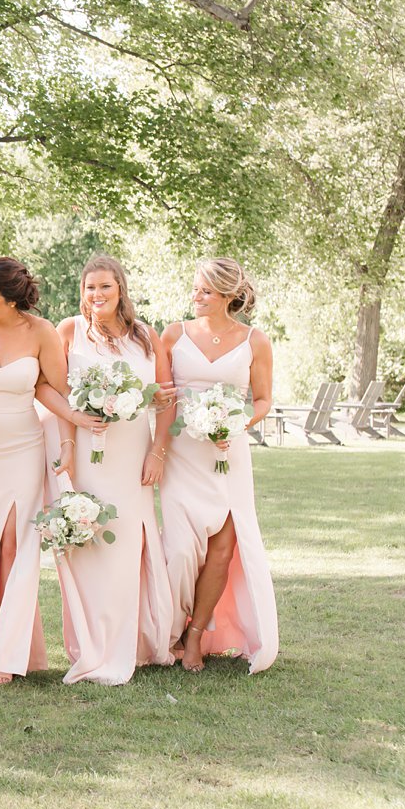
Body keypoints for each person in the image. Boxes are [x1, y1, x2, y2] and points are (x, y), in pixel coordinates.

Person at [0, 257, 92, 685]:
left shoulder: (41, 332)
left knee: (14, 547)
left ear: (12, 300)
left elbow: (52, 388)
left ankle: (9, 654)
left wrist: (69, 439)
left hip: (21, 449)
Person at [51, 256, 175, 684]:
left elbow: (166, 397)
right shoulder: (68, 331)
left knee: (125, 547)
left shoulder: (144, 336)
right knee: (87, 542)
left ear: (120, 289)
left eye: (104, 287)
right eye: (89, 288)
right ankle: (89, 645)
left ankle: (129, 643)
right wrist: (68, 443)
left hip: (132, 453)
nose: (96, 295)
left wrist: (157, 452)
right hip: (87, 451)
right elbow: (52, 390)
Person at [159, 258, 279, 673]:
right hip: (182, 455)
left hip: (228, 455)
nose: (196, 296)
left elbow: (262, 399)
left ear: (229, 297)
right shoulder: (174, 334)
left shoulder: (255, 340)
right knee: (178, 550)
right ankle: (167, 630)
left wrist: (238, 422)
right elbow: (161, 392)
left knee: (223, 549)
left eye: (205, 291)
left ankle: (194, 637)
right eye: (195, 289)